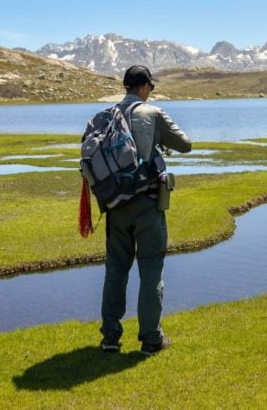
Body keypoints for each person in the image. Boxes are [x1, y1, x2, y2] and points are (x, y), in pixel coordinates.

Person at [100, 65, 191, 355]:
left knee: (116, 267)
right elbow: (185, 145)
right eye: (150, 87)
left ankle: (110, 337)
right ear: (143, 88)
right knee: (151, 267)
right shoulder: (152, 113)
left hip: (114, 204)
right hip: (148, 202)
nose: (150, 92)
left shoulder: (105, 115)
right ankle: (151, 338)